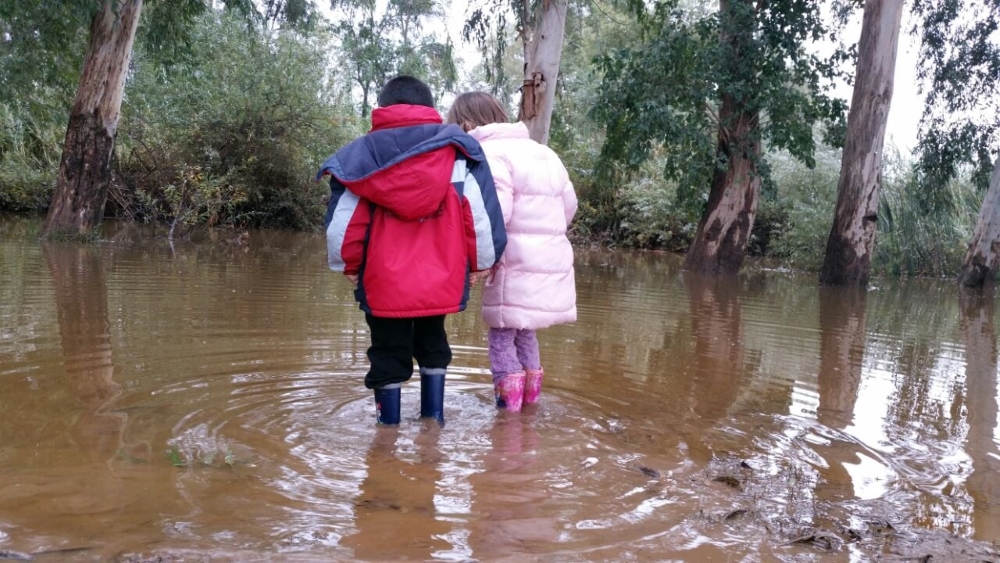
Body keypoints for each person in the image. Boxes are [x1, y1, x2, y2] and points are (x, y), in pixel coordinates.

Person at [318, 77, 507, 426]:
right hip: (441, 277)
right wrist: (480, 264)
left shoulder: (361, 157)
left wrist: (348, 264)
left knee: (387, 352)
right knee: (433, 341)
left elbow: (345, 224)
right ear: (430, 108)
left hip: (382, 280)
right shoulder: (457, 152)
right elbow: (478, 215)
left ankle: (385, 439)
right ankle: (433, 427)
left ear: (382, 108)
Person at [445, 92, 577, 412]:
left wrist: (478, 260)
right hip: (548, 259)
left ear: (467, 125)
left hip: (512, 261)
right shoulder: (544, 153)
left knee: (502, 335)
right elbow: (569, 206)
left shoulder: (489, 153)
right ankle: (530, 409)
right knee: (524, 331)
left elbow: (494, 214)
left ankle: (508, 419)